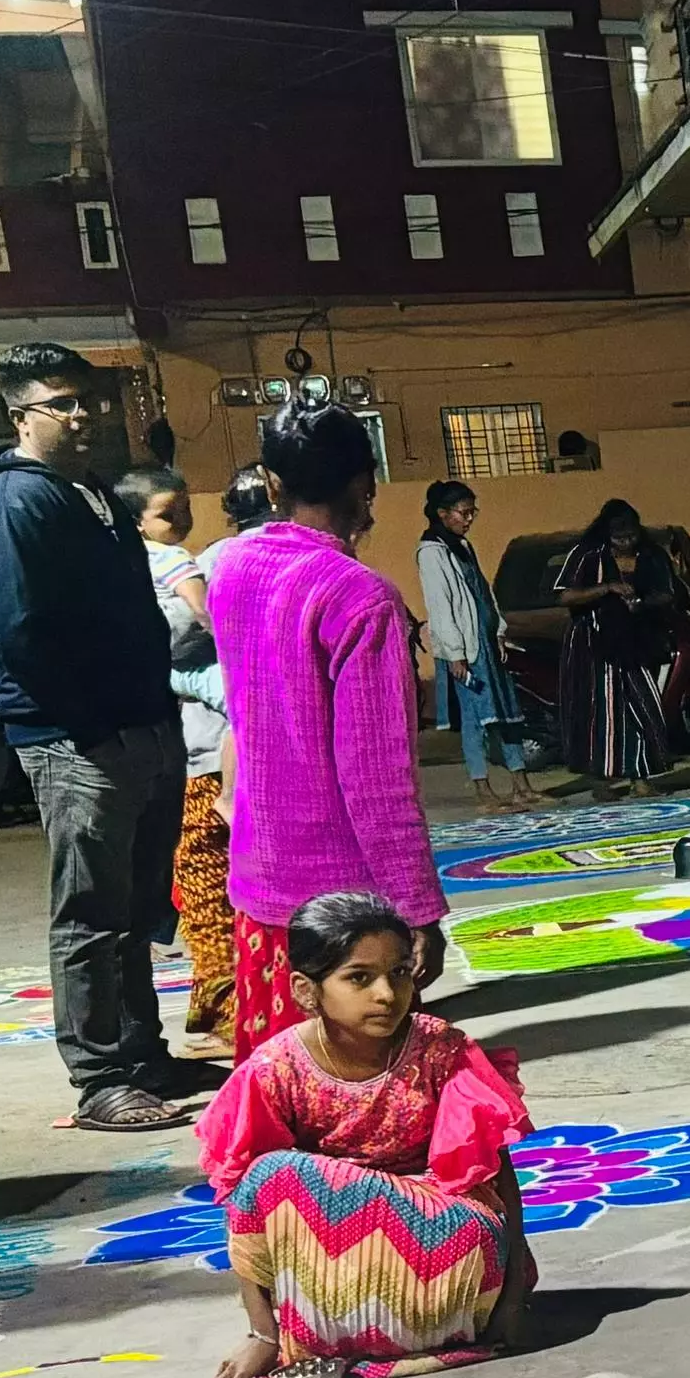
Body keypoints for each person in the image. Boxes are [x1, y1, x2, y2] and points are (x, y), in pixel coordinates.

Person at [185, 890, 533, 1378]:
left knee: (472, 1219)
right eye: (359, 978)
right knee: (270, 1175)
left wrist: (514, 1292)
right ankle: (348, 1331)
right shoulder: (276, 1069)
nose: (387, 995)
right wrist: (262, 1332)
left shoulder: (441, 1049)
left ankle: (405, 1328)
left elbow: (495, 1174)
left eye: (399, 972)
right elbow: (247, 1203)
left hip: (440, 1253)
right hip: (338, 1266)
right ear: (306, 991)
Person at [0, 342, 191, 1131]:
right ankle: (99, 1080)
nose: (87, 414)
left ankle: (142, 1054)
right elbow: (17, 632)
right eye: (64, 402)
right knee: (90, 913)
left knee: (134, 907)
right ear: (21, 414)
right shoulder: (13, 504)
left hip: (138, 726)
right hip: (79, 740)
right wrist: (88, 729)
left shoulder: (89, 492)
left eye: (92, 399)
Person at [204, 399, 446, 1059]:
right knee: (356, 1104)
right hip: (347, 911)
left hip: (261, 878)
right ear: (366, 485)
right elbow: (377, 776)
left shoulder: (228, 568)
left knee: (280, 1086)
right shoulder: (359, 596)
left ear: (272, 484)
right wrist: (419, 908)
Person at [132, 468, 235, 1060]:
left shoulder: (166, 565)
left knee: (205, 885)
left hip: (198, 758)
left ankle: (228, 1011)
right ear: (139, 521)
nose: (183, 522)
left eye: (186, 508)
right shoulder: (165, 566)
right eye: (170, 512)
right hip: (191, 756)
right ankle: (221, 1010)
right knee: (204, 886)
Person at [418, 480, 541, 817]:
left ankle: (521, 785)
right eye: (464, 512)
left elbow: (483, 591)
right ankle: (482, 787)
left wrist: (498, 631)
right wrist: (455, 653)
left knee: (507, 714)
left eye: (473, 512)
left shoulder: (462, 546)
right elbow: (441, 605)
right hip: (465, 651)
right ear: (443, 514)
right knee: (476, 720)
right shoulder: (432, 551)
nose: (469, 518)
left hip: (485, 642)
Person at [553, 499, 688, 794]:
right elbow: (565, 596)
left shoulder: (652, 556)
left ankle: (642, 778)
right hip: (593, 644)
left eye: (630, 536)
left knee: (644, 705)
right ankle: (602, 781)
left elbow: (668, 594)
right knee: (600, 713)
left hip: (637, 642)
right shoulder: (587, 555)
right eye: (619, 538)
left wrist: (643, 603)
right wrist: (607, 588)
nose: (625, 543)